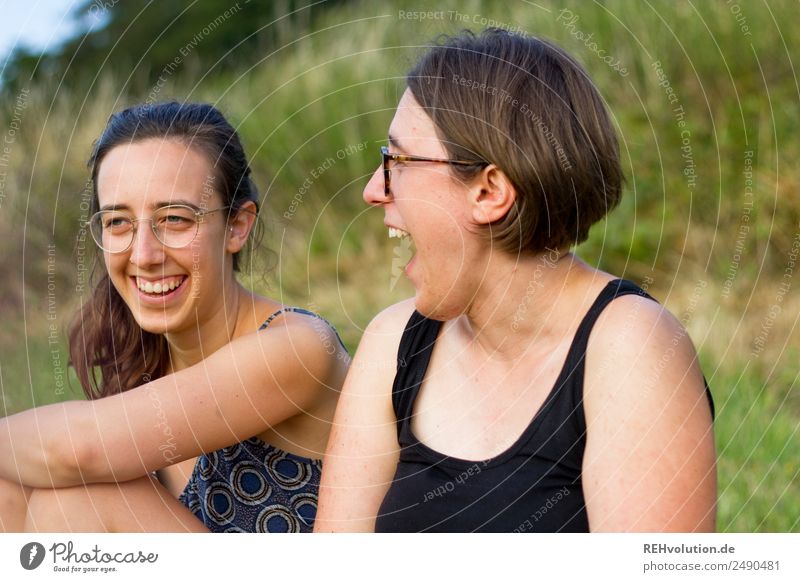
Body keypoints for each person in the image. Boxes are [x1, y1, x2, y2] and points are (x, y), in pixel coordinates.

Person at [315, 29, 716, 532]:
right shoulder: (393, 342)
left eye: (396, 161)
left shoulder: (630, 348)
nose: (374, 189)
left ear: (489, 190)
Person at [0, 102, 349, 533]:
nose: (143, 255)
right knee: (11, 487)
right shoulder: (145, 368)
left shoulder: (299, 346)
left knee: (84, 496)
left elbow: (79, 451)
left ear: (237, 226)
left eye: (175, 219)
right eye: (118, 222)